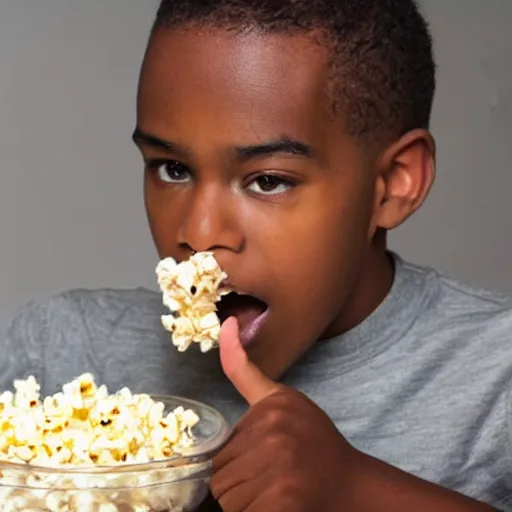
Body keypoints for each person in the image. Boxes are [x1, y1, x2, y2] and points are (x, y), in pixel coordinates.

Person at [1, 0, 511, 510]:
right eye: (172, 169)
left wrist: (357, 488)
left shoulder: (495, 379)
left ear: (393, 184)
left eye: (267, 180)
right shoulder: (57, 358)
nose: (198, 234)